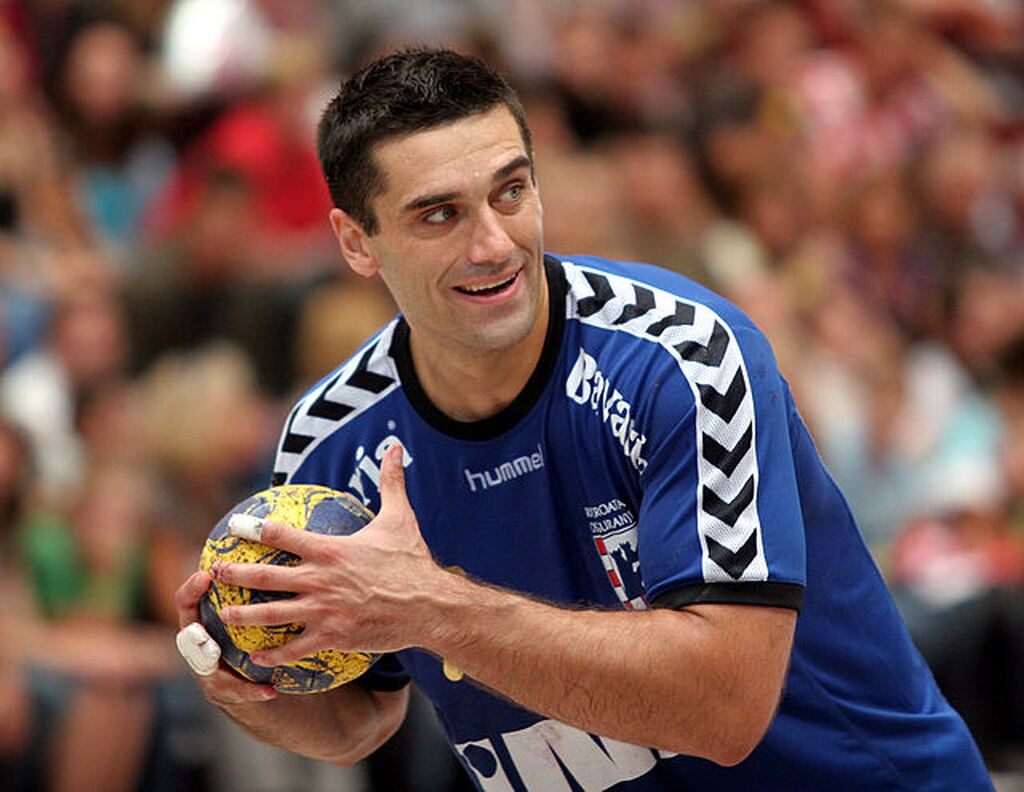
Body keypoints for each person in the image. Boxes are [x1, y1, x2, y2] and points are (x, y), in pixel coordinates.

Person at [174, 47, 991, 790]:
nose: (494, 243)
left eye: (511, 191)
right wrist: (250, 683)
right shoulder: (329, 440)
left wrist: (428, 607)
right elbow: (361, 714)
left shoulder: (684, 358)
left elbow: (725, 709)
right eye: (439, 215)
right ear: (357, 243)